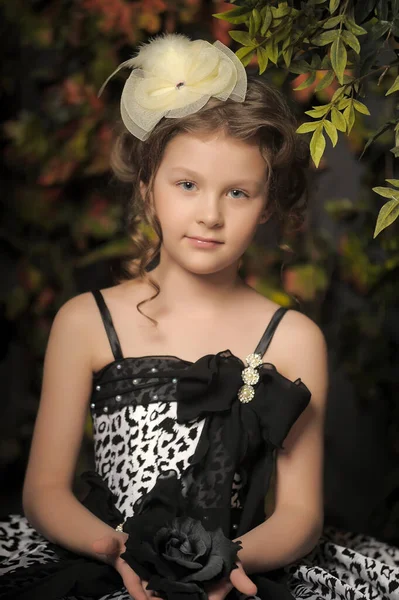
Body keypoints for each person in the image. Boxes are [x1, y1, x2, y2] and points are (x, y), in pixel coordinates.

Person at [0, 34, 397, 600]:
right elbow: (44, 490)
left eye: (237, 192)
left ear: (267, 206)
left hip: (239, 569)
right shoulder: (86, 322)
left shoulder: (292, 338)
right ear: (147, 187)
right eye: (187, 185)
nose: (209, 214)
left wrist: (225, 565)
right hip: (103, 559)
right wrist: (114, 551)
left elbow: (301, 511)